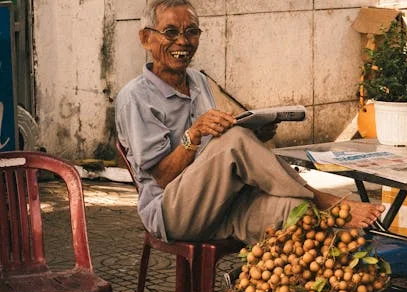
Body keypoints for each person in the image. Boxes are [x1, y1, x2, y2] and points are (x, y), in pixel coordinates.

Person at [115, 0, 384, 246]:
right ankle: (328, 201)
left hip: (223, 204)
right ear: (146, 39)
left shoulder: (197, 80)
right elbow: (162, 178)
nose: (182, 42)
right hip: (173, 213)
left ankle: (331, 288)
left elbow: (215, 154)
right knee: (233, 141)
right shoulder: (136, 98)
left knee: (295, 210)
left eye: (191, 32)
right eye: (170, 32)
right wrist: (193, 134)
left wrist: (257, 134)